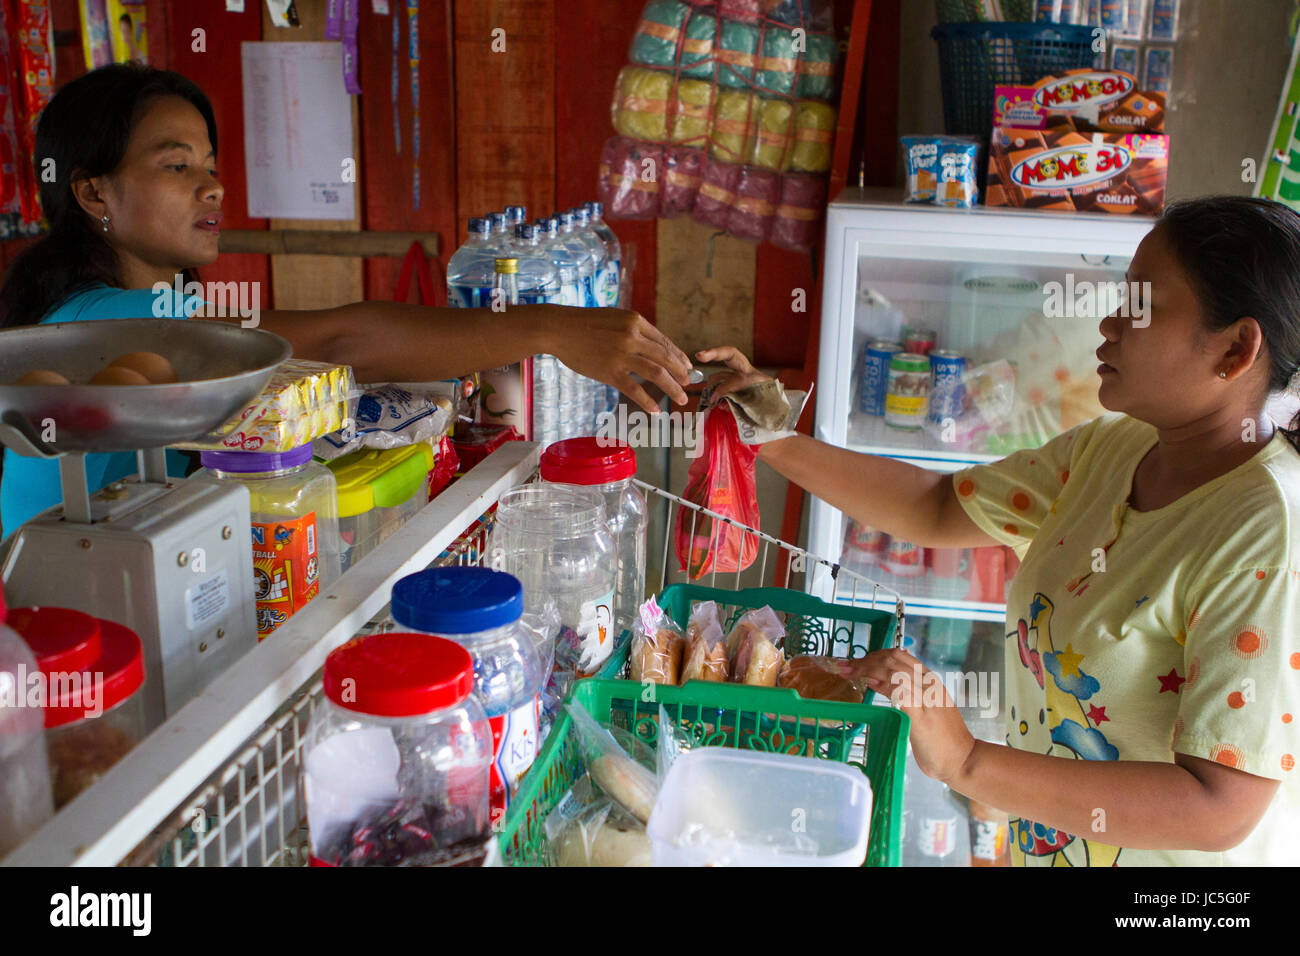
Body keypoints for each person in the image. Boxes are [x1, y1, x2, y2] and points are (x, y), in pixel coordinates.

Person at [701, 195, 1300, 865]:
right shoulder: (1114, 449)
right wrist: (773, 436)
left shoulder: (1266, 533)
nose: (1108, 322)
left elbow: (1219, 808)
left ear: (1235, 349)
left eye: (1141, 306)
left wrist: (968, 762)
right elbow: (936, 506)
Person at [0, 64, 691, 536]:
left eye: (210, 165)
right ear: (93, 193)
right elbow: (340, 340)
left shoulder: (146, 313)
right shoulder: (102, 321)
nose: (211, 186)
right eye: (176, 166)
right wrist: (551, 328)